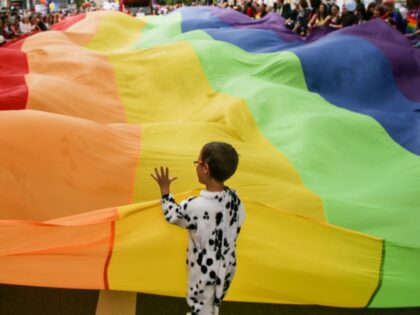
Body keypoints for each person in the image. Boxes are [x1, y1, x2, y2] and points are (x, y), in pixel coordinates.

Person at [151, 142, 245, 315]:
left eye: (197, 162)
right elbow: (240, 221)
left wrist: (165, 191)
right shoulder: (235, 199)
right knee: (213, 302)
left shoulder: (196, 206)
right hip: (227, 266)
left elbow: (172, 214)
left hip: (203, 270)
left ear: (205, 168)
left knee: (200, 307)